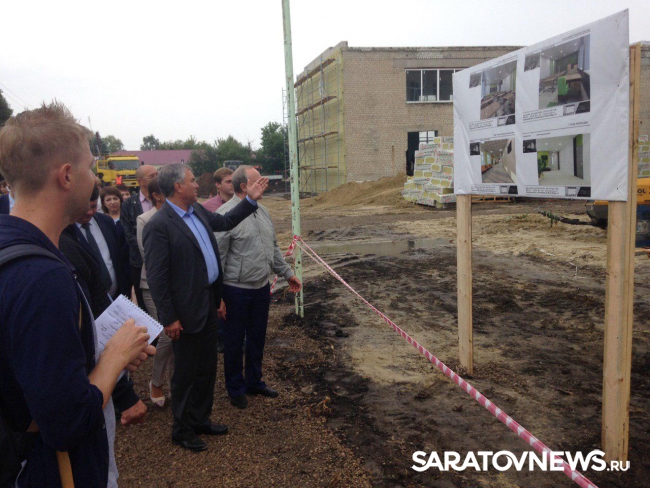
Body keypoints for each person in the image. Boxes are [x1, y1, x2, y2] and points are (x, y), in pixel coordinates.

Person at [0, 101, 155, 487]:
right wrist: (114, 358)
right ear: (67, 176)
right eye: (89, 167)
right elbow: (66, 424)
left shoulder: (12, 244)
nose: (95, 179)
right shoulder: (42, 279)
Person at [143, 163, 268, 452]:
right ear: (177, 186)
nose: (198, 184)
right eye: (192, 181)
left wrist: (250, 201)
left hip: (208, 305)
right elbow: (158, 277)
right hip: (185, 313)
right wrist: (169, 318)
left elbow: (225, 222)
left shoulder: (197, 211)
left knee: (207, 369)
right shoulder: (159, 226)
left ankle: (200, 420)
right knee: (186, 374)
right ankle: (182, 430)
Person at [215, 165, 301, 409]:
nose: (264, 184)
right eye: (258, 181)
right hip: (235, 290)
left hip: (261, 288)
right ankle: (235, 387)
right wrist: (218, 296)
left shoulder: (262, 211)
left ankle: (254, 381)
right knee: (234, 341)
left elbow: (272, 247)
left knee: (257, 337)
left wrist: (287, 273)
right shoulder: (225, 215)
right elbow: (217, 259)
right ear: (244, 186)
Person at [136, 177, 173, 407]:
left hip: (176, 286)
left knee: (178, 334)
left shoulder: (178, 216)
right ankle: (156, 382)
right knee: (168, 333)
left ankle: (176, 384)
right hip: (152, 285)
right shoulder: (145, 219)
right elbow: (148, 255)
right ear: (157, 196)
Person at [73, 185, 130, 300]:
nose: (89, 212)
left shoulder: (106, 221)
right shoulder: (66, 232)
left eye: (93, 207)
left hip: (119, 298)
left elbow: (119, 258)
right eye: (84, 208)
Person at [121, 164, 158, 310]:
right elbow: (129, 235)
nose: (157, 178)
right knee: (144, 306)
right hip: (139, 263)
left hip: (162, 261)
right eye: (152, 176)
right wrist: (150, 251)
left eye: (157, 174)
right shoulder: (129, 204)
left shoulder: (164, 200)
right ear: (140, 181)